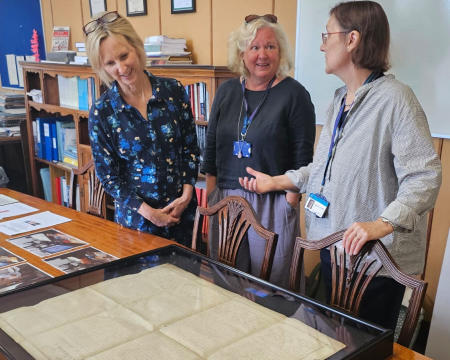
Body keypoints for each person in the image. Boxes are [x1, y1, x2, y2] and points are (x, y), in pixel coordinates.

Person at [239, 1, 442, 330]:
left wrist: (381, 223)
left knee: (363, 346)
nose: (321, 45)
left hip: (374, 263)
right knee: (334, 340)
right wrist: (275, 182)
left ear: (352, 40)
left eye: (327, 35)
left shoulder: (395, 99)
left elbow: (425, 178)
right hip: (332, 250)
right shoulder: (337, 100)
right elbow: (320, 171)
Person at [202, 14, 316, 287]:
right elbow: (212, 145)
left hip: (272, 203)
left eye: (270, 47)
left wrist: (289, 204)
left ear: (281, 52)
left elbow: (303, 158)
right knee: (227, 281)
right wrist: (212, 195)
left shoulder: (295, 94)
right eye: (254, 47)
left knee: (271, 285)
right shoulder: (227, 91)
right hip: (227, 199)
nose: (262, 55)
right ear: (241, 53)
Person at [84, 11, 199, 246]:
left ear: (136, 47)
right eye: (110, 63)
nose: (121, 67)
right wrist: (150, 213)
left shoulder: (173, 91)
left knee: (187, 280)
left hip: (182, 216)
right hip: (137, 224)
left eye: (124, 55)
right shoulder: (102, 112)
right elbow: (109, 177)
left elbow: (190, 149)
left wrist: (187, 195)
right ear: (102, 68)